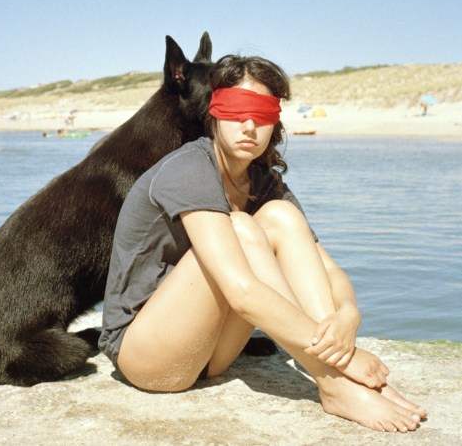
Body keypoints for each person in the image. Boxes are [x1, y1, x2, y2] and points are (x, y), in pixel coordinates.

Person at [99, 55, 427, 433]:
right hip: (146, 354)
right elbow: (241, 292)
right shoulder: (189, 168)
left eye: (262, 114)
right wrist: (346, 359)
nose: (249, 126)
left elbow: (327, 269)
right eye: (236, 111)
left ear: (276, 121)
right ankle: (335, 382)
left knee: (280, 217)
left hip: (211, 354)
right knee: (240, 227)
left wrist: (347, 315)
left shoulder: (264, 182)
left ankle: (336, 373)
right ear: (214, 114)